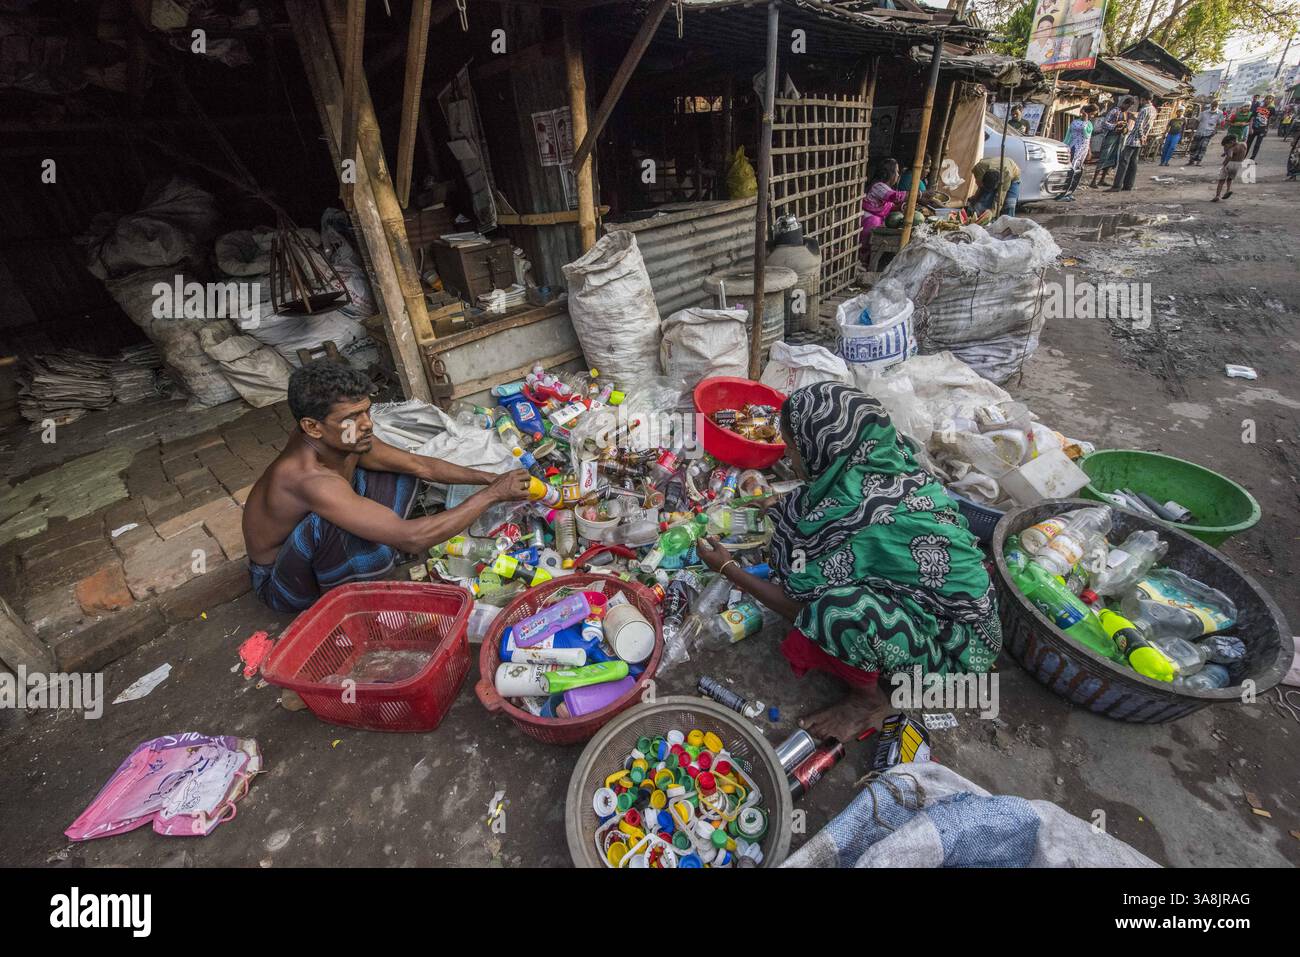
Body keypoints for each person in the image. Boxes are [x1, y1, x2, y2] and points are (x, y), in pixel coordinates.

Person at [696, 382, 1001, 740]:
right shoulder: (884, 466)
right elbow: (816, 505)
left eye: (793, 449)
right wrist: (772, 509)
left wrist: (729, 570)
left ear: (823, 448)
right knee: (798, 520)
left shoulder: (870, 519)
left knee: (835, 612)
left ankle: (867, 702)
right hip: (943, 617)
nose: (788, 458)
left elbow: (798, 607)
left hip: (956, 655)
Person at [242, 361, 532, 611]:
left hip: (325, 515)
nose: (367, 424)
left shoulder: (344, 437)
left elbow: (420, 465)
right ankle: (349, 597)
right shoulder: (307, 478)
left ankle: (379, 543)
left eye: (366, 411)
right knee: (328, 523)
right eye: (351, 418)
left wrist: (491, 479)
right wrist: (494, 494)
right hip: (282, 585)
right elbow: (412, 539)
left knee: (399, 469)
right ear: (312, 427)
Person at [860, 158, 910, 261]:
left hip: (876, 222)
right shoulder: (878, 186)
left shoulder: (885, 187)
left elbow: (890, 206)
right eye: (896, 171)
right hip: (869, 222)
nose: (898, 175)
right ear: (889, 173)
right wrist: (917, 194)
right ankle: (863, 258)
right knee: (867, 247)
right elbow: (894, 197)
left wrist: (902, 207)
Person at [1109, 94, 1153, 192]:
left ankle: (1117, 186)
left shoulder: (1144, 110)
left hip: (1134, 139)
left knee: (1123, 161)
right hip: (1141, 139)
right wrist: (1144, 136)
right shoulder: (1153, 110)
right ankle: (1128, 185)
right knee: (1133, 162)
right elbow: (1148, 125)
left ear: (1143, 99)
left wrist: (1141, 136)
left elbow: (1139, 126)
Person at [1057, 103, 1097, 200]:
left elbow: (1088, 139)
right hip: (1075, 149)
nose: (1093, 116)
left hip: (1083, 150)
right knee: (1070, 171)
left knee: (1077, 172)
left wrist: (1089, 151)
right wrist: (1085, 120)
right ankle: (1062, 194)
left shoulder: (1088, 124)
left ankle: (1069, 192)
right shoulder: (1076, 123)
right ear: (1088, 113)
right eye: (1092, 114)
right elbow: (1085, 133)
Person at [1091, 97, 1130, 187]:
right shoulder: (1114, 111)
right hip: (1109, 137)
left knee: (1111, 159)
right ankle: (1093, 181)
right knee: (1104, 158)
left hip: (1118, 138)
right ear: (1124, 103)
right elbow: (1105, 123)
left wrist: (1124, 128)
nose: (1128, 108)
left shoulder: (1124, 113)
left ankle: (1102, 180)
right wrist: (1116, 125)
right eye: (1128, 105)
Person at [1186, 99, 1224, 166]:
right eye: (1213, 105)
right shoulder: (1204, 113)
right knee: (1194, 147)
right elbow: (1197, 121)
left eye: (1215, 106)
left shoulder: (1220, 114)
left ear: (1218, 106)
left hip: (1209, 133)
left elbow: (1219, 123)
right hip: (1199, 131)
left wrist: (1215, 131)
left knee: (1202, 147)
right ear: (1211, 105)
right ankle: (1191, 161)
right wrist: (1192, 131)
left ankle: (1198, 162)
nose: (1214, 107)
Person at [1213, 134, 1247, 202]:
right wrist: (1225, 152)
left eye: (1226, 145)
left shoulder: (1232, 149)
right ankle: (1228, 190)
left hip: (1230, 164)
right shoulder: (1243, 144)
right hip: (1237, 164)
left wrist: (1224, 164)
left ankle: (1217, 196)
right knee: (1230, 179)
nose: (1226, 147)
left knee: (1221, 180)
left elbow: (1230, 156)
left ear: (1231, 142)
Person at [1247, 94, 1276, 159]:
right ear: (1264, 99)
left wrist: (1267, 129)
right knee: (1248, 143)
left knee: (1257, 145)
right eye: (1267, 98)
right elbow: (1252, 118)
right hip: (1254, 128)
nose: (1268, 100)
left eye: (1270, 99)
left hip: (1262, 129)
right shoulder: (1258, 108)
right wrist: (1250, 128)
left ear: (1272, 100)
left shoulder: (1272, 109)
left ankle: (1252, 158)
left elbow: (1271, 119)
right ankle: (1243, 156)